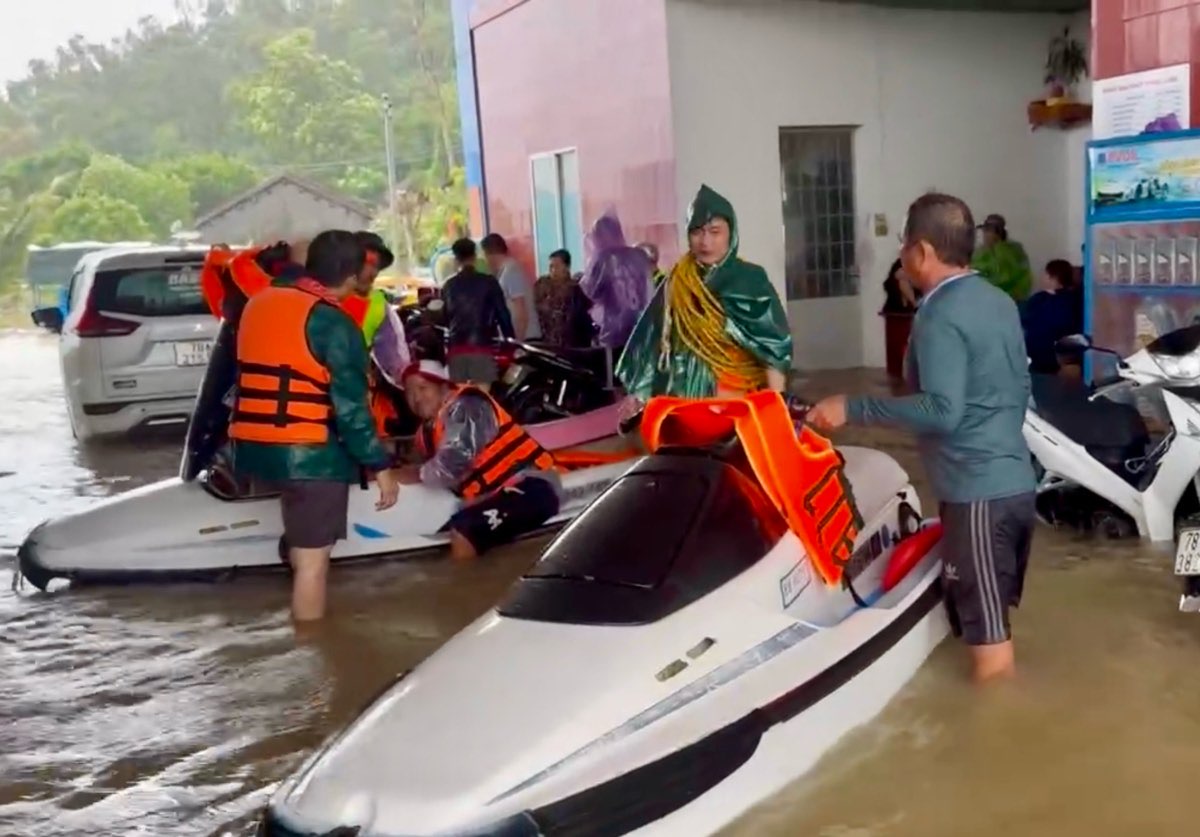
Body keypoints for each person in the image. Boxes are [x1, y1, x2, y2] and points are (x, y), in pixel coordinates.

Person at [808, 193, 1036, 683]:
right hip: (1015, 485)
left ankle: (996, 746)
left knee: (990, 654)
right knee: (988, 623)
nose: (903, 257)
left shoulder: (939, 314)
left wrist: (852, 406)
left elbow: (942, 411)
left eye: (904, 245)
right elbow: (1018, 389)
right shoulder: (998, 301)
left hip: (978, 496)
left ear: (923, 252)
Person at [230, 229, 399, 623]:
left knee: (299, 549)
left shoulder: (259, 301)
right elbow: (352, 413)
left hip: (255, 449)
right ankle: (313, 663)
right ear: (352, 273)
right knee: (312, 565)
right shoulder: (334, 324)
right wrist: (381, 467)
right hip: (309, 457)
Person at [617, 184, 792, 403]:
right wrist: (641, 399)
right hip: (681, 409)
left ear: (732, 233)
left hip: (736, 404)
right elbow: (651, 343)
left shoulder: (751, 280)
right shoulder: (676, 282)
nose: (705, 242)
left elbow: (773, 348)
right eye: (697, 232)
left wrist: (776, 405)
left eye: (715, 232)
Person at [396, 359, 561, 560]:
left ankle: (464, 588)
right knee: (440, 539)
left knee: (464, 530)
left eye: (423, 388)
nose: (417, 398)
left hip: (531, 486)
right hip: (488, 496)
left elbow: (454, 462)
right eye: (409, 393)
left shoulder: (468, 405)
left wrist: (414, 474)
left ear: (443, 386)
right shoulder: (426, 432)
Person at [342, 231, 411, 437]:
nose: (373, 272)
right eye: (369, 261)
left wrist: (417, 383)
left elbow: (395, 362)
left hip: (353, 401)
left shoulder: (379, 306)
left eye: (378, 266)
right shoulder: (318, 295)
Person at [443, 237, 514, 388]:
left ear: (456, 260)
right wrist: (511, 343)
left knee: (460, 399)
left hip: (457, 351)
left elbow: (445, 319)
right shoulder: (489, 282)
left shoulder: (448, 286)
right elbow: (503, 315)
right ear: (474, 257)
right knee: (482, 399)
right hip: (482, 349)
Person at [578, 209, 653, 350]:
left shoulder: (602, 259)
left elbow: (589, 290)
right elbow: (650, 290)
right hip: (642, 328)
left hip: (613, 332)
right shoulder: (639, 255)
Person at [1021, 258, 1084, 375]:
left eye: (1045, 274)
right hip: (1066, 362)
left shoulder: (1038, 301)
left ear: (1052, 277)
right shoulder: (1077, 300)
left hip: (1041, 361)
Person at [481, 232, 542, 341]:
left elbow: (520, 309)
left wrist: (517, 342)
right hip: (522, 338)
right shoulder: (505, 272)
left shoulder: (512, 270)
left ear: (489, 254)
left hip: (527, 338)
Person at [534, 249, 594, 349]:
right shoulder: (542, 285)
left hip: (569, 346)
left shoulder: (575, 290)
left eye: (557, 266)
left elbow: (583, 320)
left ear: (567, 267)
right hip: (546, 343)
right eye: (551, 266)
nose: (553, 270)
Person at [971, 213, 1033, 302]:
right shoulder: (980, 251)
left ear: (997, 234)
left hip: (1009, 300)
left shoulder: (1012, 251)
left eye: (987, 231)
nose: (984, 235)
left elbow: (1020, 278)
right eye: (984, 231)